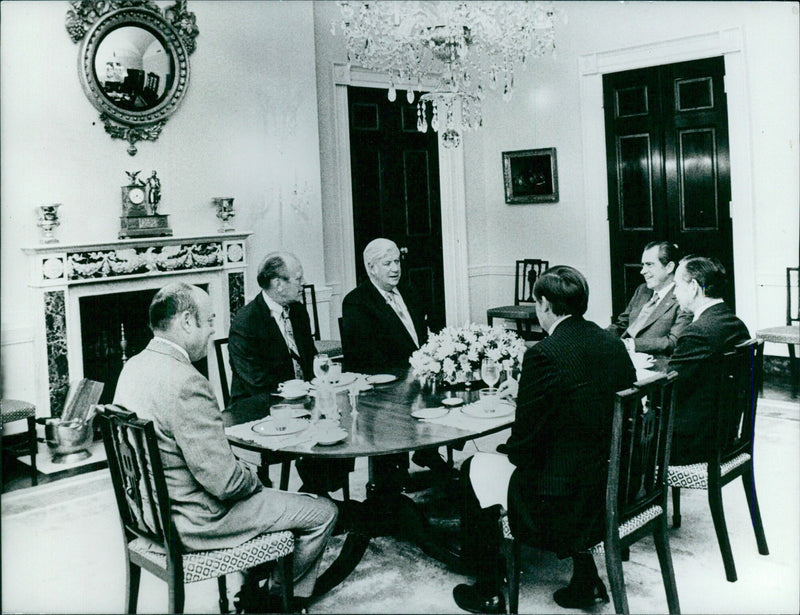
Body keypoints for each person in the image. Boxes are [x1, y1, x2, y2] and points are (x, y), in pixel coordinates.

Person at [113, 282, 337, 611]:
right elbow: (225, 483)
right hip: (196, 520)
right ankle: (275, 601)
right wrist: (253, 477)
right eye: (208, 321)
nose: (212, 331)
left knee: (271, 494)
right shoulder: (187, 382)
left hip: (148, 516)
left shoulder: (132, 367)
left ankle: (261, 580)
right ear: (187, 322)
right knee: (322, 511)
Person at [452, 266, 636, 613]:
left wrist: (509, 444)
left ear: (545, 305)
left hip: (566, 503)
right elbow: (587, 402)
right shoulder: (612, 343)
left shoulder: (542, 354)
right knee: (570, 453)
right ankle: (586, 578)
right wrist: (528, 395)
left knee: (473, 468)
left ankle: (488, 589)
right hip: (613, 485)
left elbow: (524, 445)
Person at [228, 252, 352, 496]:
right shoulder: (246, 321)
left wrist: (317, 395)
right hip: (259, 406)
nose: (303, 282)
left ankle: (318, 491)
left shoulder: (297, 311)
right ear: (278, 284)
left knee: (342, 420)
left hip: (301, 400)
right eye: (298, 278)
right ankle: (318, 495)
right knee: (319, 425)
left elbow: (309, 361)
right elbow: (255, 381)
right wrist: (299, 400)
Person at [341, 237, 447, 476]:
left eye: (397, 261)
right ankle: (393, 473)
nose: (395, 268)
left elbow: (422, 336)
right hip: (382, 386)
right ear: (371, 268)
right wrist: (407, 374)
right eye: (387, 263)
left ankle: (428, 450)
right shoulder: (357, 302)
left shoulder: (409, 291)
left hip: (415, 376)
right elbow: (364, 357)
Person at [668, 255, 750, 464]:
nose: (674, 293)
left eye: (676, 285)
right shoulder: (736, 324)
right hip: (722, 436)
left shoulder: (697, 333)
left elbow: (668, 390)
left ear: (694, 287)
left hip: (692, 445)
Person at [607, 240, 692, 355]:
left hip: (655, 364)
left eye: (649, 265)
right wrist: (597, 336)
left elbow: (673, 342)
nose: (642, 271)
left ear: (669, 267)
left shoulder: (683, 297)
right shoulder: (642, 290)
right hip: (624, 356)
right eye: (643, 265)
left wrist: (630, 344)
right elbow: (622, 324)